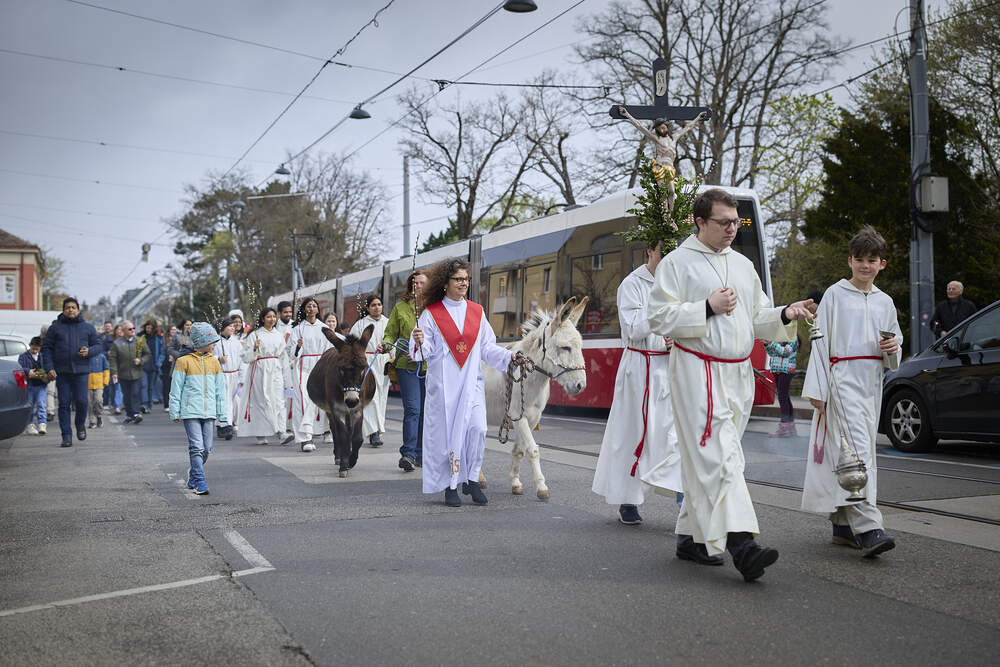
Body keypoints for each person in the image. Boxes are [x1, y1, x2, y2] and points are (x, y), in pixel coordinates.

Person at [647, 188, 814, 581]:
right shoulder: (677, 263)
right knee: (720, 459)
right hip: (698, 372)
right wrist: (706, 307)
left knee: (713, 459)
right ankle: (742, 545)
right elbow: (658, 317)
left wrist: (785, 314)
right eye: (723, 222)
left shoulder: (742, 264)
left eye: (736, 222)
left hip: (737, 374)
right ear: (700, 222)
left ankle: (691, 538)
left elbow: (756, 317)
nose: (731, 229)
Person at [801, 225, 902, 558]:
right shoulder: (835, 295)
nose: (865, 266)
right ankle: (869, 527)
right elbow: (820, 341)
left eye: (872, 260)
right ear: (850, 261)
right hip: (841, 381)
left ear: (882, 264)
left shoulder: (885, 302)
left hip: (871, 383)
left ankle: (843, 525)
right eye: (860, 259)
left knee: (858, 450)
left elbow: (894, 346)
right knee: (856, 452)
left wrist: (893, 347)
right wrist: (817, 388)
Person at [410, 258, 524, 507]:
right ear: (445, 283)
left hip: (472, 383)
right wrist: (419, 341)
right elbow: (424, 353)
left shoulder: (476, 312)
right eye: (458, 279)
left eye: (466, 279)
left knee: (478, 429)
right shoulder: (432, 314)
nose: (463, 283)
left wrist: (509, 357)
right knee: (450, 437)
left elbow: (486, 348)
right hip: (445, 388)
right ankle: (450, 485)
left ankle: (471, 478)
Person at [592, 242, 683, 526]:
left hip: (670, 369)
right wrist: (662, 318)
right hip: (639, 370)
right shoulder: (632, 284)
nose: (669, 260)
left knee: (678, 435)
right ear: (650, 251)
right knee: (633, 434)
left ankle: (686, 501)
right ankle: (628, 500)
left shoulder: (680, 283)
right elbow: (632, 328)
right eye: (663, 253)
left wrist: (678, 336)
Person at [170, 322, 228, 496]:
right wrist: (175, 411)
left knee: (207, 448)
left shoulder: (214, 362)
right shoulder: (183, 362)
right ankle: (200, 482)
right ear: (202, 342)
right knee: (196, 447)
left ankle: (194, 474)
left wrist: (222, 413)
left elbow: (220, 390)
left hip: (209, 412)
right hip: (190, 411)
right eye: (212, 341)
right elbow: (176, 388)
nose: (215, 344)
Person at [40, 297, 103, 447]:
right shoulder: (55, 328)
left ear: (78, 310)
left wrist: (89, 351)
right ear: (63, 310)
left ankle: (80, 425)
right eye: (67, 307)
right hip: (62, 372)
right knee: (64, 404)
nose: (70, 310)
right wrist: (49, 368)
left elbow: (98, 345)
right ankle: (66, 435)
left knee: (82, 402)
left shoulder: (87, 327)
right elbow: (46, 349)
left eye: (73, 307)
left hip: (81, 371)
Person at [382, 270, 427, 472]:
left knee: (426, 411)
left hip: (430, 367)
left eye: (422, 283)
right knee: (413, 409)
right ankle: (408, 453)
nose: (418, 286)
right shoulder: (400, 307)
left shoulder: (434, 308)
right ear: (410, 286)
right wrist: (386, 344)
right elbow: (390, 333)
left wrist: (422, 353)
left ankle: (421, 452)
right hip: (406, 366)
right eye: (415, 283)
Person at [238, 307, 293, 445]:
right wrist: (254, 349)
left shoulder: (278, 335)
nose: (272, 319)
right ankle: (261, 433)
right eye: (268, 317)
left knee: (279, 401)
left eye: (274, 316)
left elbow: (283, 357)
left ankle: (281, 431)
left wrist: (287, 378)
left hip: (275, 369)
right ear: (263, 319)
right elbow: (245, 357)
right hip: (259, 370)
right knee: (262, 401)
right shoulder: (255, 335)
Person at [287, 297, 332, 452]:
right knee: (303, 400)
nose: (311, 308)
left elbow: (330, 349)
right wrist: (298, 347)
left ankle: (318, 431)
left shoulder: (324, 328)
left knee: (318, 401)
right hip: (303, 367)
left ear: (318, 309)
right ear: (304, 310)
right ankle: (305, 438)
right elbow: (290, 353)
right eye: (308, 306)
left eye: (314, 306)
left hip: (320, 366)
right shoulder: (297, 329)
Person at [351, 295, 391, 448]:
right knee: (371, 397)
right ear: (367, 308)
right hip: (367, 362)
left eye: (379, 304)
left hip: (384, 363)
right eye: (373, 305)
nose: (377, 307)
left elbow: (393, 341)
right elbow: (352, 344)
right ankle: (373, 432)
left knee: (381, 398)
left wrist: (392, 360)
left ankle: (378, 430)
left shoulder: (388, 322)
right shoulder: (360, 324)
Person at [109, 321, 151, 425]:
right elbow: (113, 359)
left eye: (133, 328)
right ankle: (129, 415)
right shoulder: (117, 343)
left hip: (136, 373)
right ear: (124, 331)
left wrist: (141, 360)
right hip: (123, 374)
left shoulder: (139, 341)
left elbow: (147, 354)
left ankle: (136, 414)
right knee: (127, 396)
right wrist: (114, 372)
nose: (133, 330)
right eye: (130, 329)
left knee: (135, 393)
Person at [215, 318, 244, 440]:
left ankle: (224, 425)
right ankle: (225, 425)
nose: (232, 328)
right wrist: (218, 358)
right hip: (221, 374)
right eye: (229, 326)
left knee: (230, 401)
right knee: (223, 400)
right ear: (222, 328)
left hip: (234, 374)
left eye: (233, 326)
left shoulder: (236, 342)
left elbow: (242, 359)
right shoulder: (216, 342)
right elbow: (209, 356)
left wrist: (242, 377)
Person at [765, 336, 800, 437]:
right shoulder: (778, 336)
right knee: (785, 397)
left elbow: (785, 352)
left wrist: (771, 343)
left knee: (782, 397)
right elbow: (771, 353)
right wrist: (766, 344)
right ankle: (790, 426)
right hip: (776, 369)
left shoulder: (793, 337)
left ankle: (784, 426)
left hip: (786, 369)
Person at [18, 336, 49, 435]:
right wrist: (28, 371)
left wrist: (44, 375)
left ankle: (42, 423)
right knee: (30, 405)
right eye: (33, 349)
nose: (35, 351)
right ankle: (30, 424)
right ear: (30, 345)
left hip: (41, 385)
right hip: (29, 385)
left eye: (37, 349)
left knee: (41, 404)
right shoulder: (23, 356)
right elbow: (20, 368)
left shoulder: (43, 356)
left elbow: (47, 368)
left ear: (40, 348)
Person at [275, 300, 295, 439]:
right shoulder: (275, 327)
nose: (288, 314)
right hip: (277, 366)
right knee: (279, 398)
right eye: (285, 312)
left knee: (291, 397)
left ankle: (290, 425)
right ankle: (279, 427)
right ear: (279, 313)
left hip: (292, 366)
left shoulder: (295, 326)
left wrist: (293, 360)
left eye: (290, 312)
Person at [138, 319, 164, 411]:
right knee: (143, 385)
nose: (148, 329)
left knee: (150, 387)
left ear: (154, 328)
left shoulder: (158, 338)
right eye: (147, 327)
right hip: (143, 364)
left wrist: (159, 363)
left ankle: (149, 405)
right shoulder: (141, 336)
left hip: (154, 365)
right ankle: (144, 404)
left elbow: (162, 352)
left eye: (150, 328)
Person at [87, 344, 109, 428]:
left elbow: (106, 369)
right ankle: (92, 421)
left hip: (99, 383)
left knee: (98, 400)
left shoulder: (102, 356)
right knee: (89, 403)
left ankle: (99, 416)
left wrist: (105, 381)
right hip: (88, 383)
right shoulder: (86, 357)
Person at [160, 324, 178, 410]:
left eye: (175, 330)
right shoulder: (164, 340)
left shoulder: (178, 339)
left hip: (176, 364)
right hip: (166, 364)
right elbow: (162, 352)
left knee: (174, 385)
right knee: (166, 385)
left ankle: (174, 404)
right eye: (172, 330)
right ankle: (166, 404)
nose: (174, 331)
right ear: (168, 331)